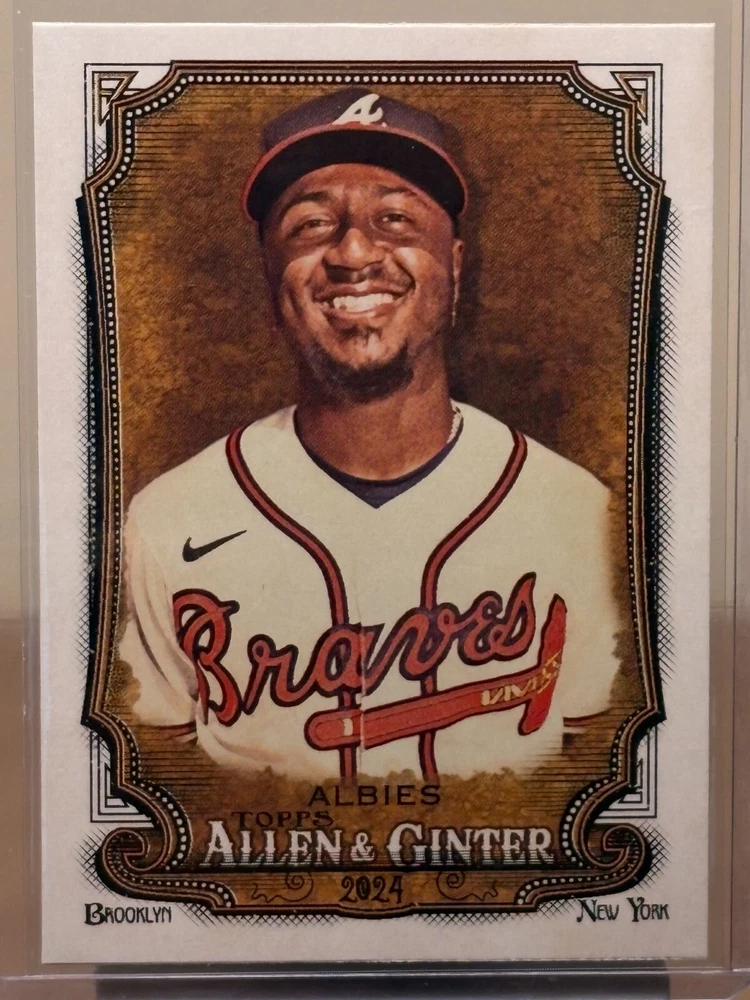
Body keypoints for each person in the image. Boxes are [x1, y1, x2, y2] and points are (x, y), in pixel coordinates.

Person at [120, 88, 620, 782]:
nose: (354, 251)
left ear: (455, 267)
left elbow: (602, 785)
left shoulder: (580, 515)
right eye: (310, 224)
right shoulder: (168, 522)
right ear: (270, 275)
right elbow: (158, 789)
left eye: (396, 218)